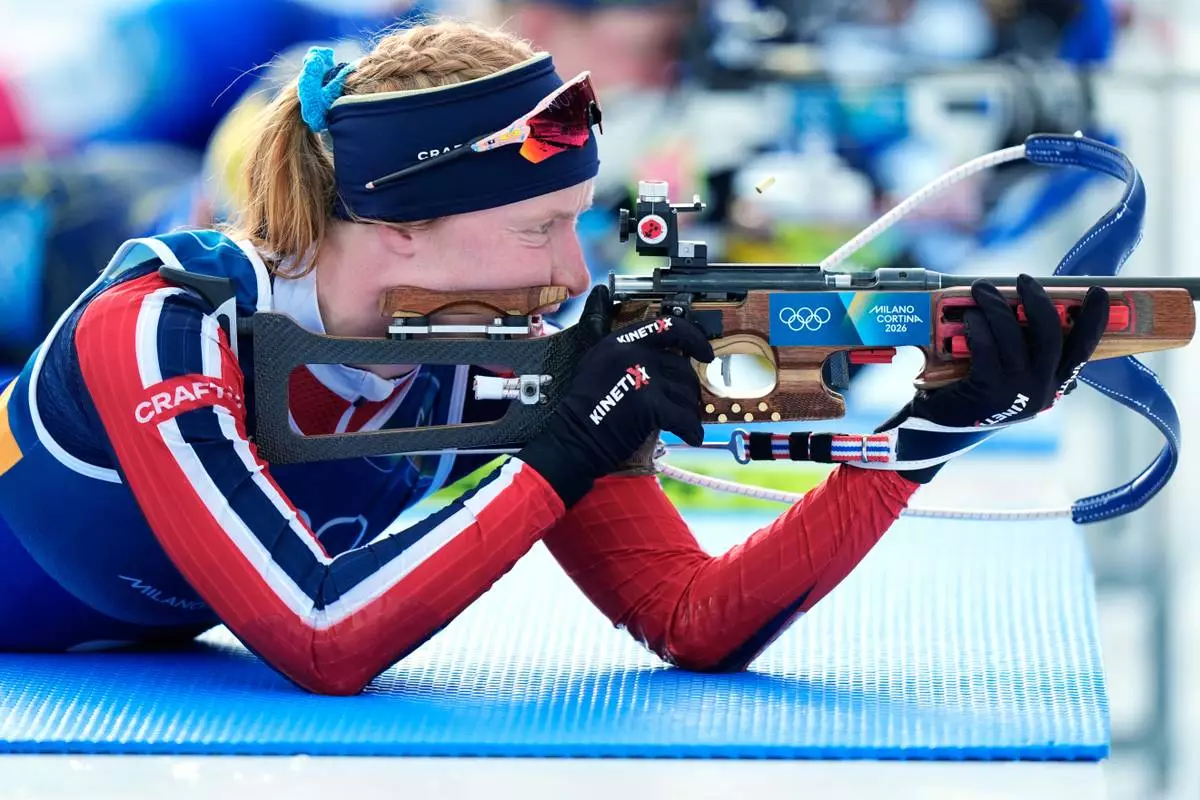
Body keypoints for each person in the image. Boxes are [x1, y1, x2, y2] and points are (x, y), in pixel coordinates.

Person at [0, 19, 1108, 695]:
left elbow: (690, 614)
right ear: (398, 226)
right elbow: (318, 636)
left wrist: (916, 442)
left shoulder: (499, 355)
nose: (575, 275)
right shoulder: (162, 323)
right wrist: (569, 446)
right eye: (540, 229)